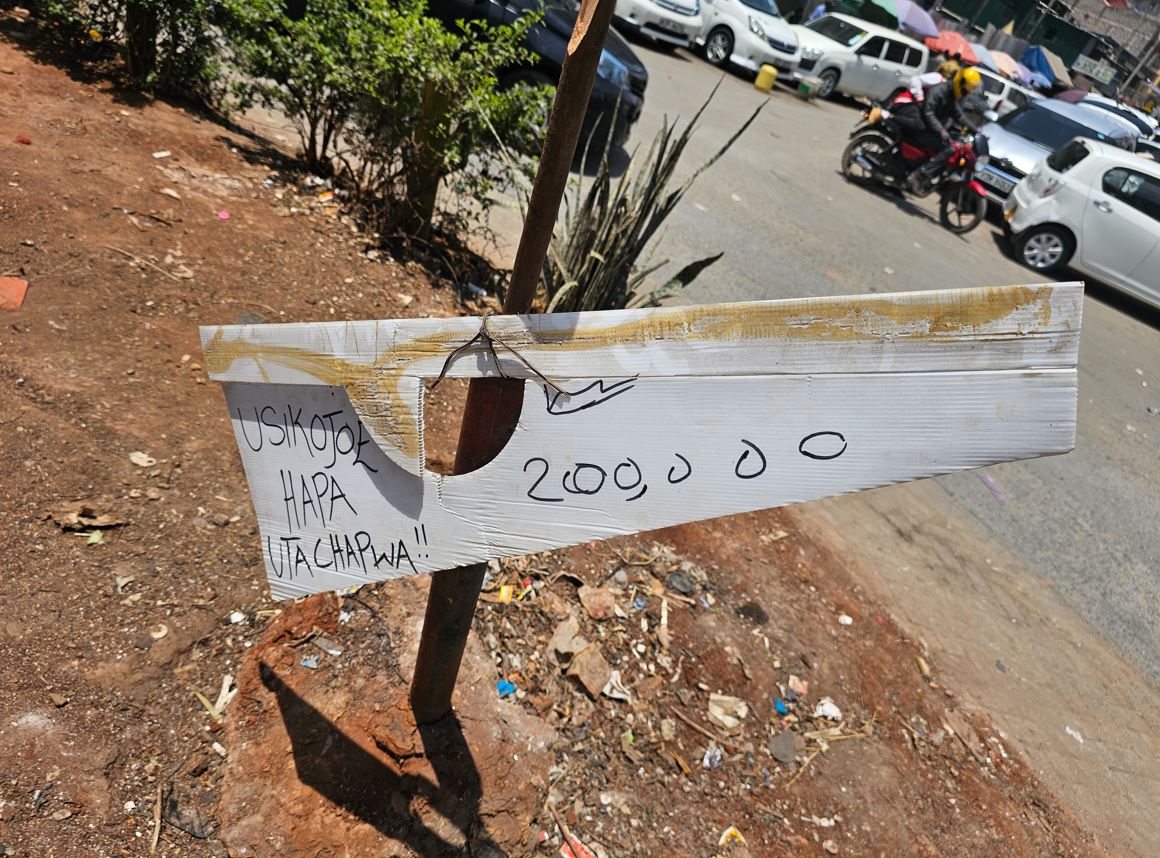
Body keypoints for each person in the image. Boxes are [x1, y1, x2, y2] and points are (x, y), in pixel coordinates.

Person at [909, 67, 982, 190]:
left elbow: (959, 115)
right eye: (965, 90)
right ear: (961, 83)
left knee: (956, 141)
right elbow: (928, 112)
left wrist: (975, 130)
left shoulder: (951, 94)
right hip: (923, 128)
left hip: (933, 129)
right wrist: (941, 130)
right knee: (950, 148)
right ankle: (921, 175)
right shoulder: (940, 91)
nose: (965, 93)